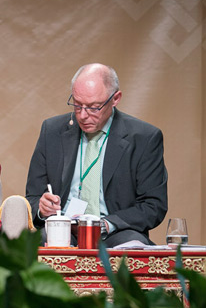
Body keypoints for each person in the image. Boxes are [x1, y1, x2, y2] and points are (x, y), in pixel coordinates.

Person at [25, 63, 168, 247]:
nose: (83, 115)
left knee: (134, 246)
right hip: (64, 229)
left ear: (115, 98)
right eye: (77, 105)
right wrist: (42, 209)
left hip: (115, 231)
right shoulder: (51, 131)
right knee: (34, 243)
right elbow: (32, 198)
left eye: (93, 107)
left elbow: (153, 206)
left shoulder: (144, 138)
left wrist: (107, 224)